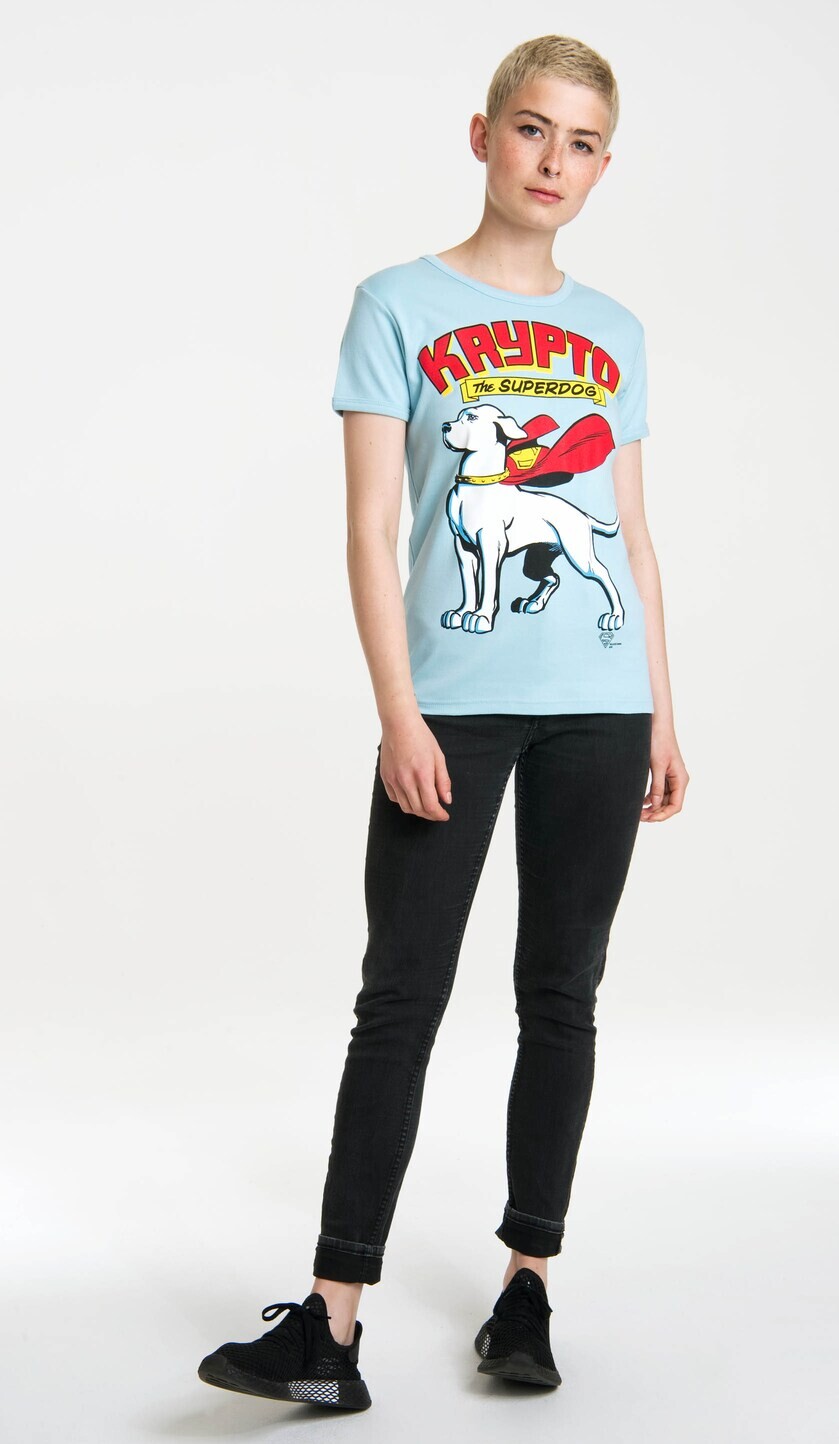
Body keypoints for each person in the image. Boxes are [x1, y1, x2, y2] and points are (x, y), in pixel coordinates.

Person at [197, 32, 688, 1411]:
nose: (552, 161)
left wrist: (662, 708)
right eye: (532, 129)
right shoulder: (396, 304)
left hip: (600, 708)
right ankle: (333, 1322)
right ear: (484, 136)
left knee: (562, 995)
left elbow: (631, 532)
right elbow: (370, 529)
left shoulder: (616, 332)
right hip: (451, 712)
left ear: (602, 168)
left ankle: (528, 1289)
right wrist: (399, 713)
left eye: (581, 143)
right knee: (400, 998)